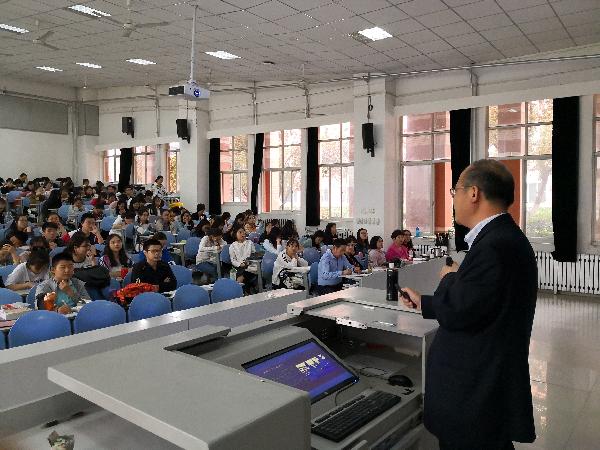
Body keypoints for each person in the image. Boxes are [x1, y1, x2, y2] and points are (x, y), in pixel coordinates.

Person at [400, 159, 537, 450]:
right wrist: (425, 302)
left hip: (475, 392)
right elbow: (479, 302)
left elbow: (458, 310)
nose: (453, 199)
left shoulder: (494, 245)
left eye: (455, 191)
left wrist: (451, 277)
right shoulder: (503, 238)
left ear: (473, 193)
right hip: (485, 386)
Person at [228, 226, 257, 292]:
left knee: (243, 276)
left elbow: (254, 255)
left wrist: (248, 262)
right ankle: (246, 291)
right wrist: (240, 264)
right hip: (238, 267)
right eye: (240, 232)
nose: (243, 234)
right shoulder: (232, 246)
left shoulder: (249, 243)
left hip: (249, 265)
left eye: (243, 232)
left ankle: (245, 291)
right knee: (239, 278)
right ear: (235, 234)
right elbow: (233, 260)